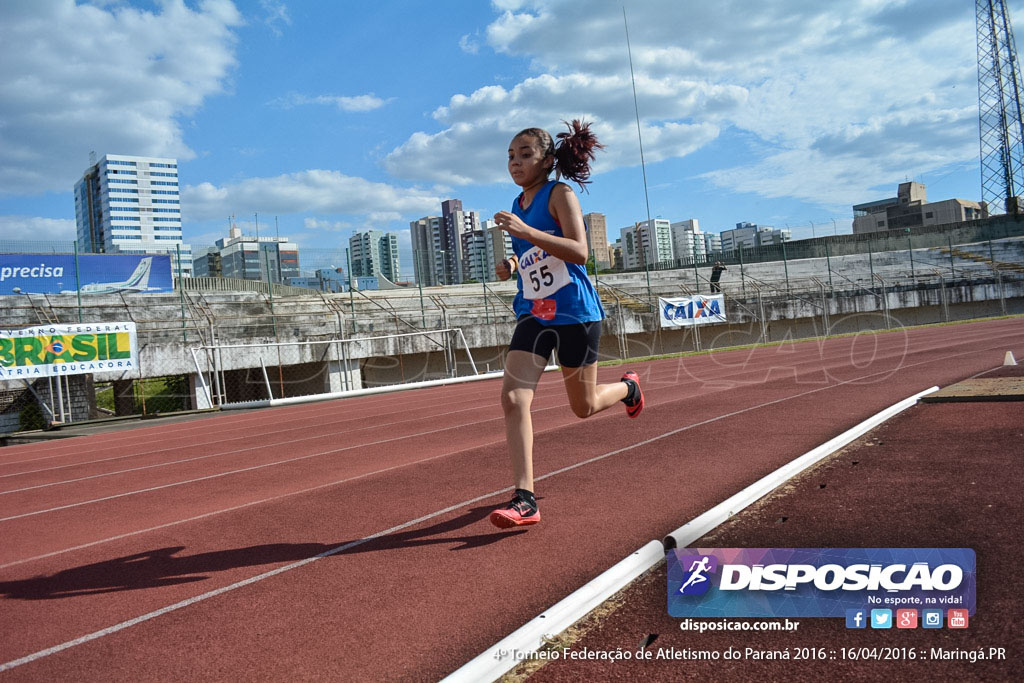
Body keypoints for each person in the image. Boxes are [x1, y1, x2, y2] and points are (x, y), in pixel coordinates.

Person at [489, 120, 645, 529]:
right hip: (535, 313)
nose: (515, 162)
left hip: (575, 312)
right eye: (510, 155)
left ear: (547, 160)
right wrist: (512, 263)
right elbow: (535, 257)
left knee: (584, 407)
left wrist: (526, 232)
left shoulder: (560, 193)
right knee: (513, 398)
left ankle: (629, 387)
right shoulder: (518, 203)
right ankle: (525, 499)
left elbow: (579, 251)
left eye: (525, 154)